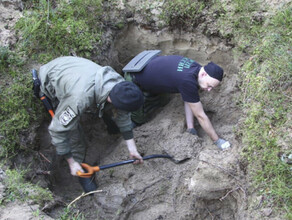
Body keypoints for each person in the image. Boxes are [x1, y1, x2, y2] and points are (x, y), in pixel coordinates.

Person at [37, 56, 144, 192]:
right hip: (50, 78)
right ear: (112, 100)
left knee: (112, 112)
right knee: (74, 134)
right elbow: (57, 130)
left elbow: (123, 115)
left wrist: (132, 148)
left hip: (74, 70)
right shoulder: (79, 98)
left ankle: (111, 127)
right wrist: (72, 162)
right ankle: (81, 169)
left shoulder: (119, 85)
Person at [124, 54, 231, 150]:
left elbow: (189, 100)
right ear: (204, 74)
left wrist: (190, 127)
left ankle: (149, 96)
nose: (209, 90)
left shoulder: (197, 68)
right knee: (140, 117)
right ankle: (133, 120)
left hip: (149, 64)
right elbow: (200, 116)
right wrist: (217, 140)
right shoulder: (187, 81)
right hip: (134, 76)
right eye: (209, 86)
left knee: (163, 101)